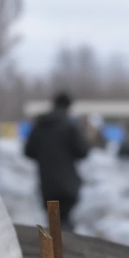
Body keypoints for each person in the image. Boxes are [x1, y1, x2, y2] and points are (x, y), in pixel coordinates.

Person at [24, 92, 90, 226]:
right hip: (68, 185)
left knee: (53, 222)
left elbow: (28, 151)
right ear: (68, 107)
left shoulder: (40, 125)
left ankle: (55, 245)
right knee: (64, 223)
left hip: (47, 184)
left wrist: (45, 156)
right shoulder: (69, 126)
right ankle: (64, 245)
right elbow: (83, 151)